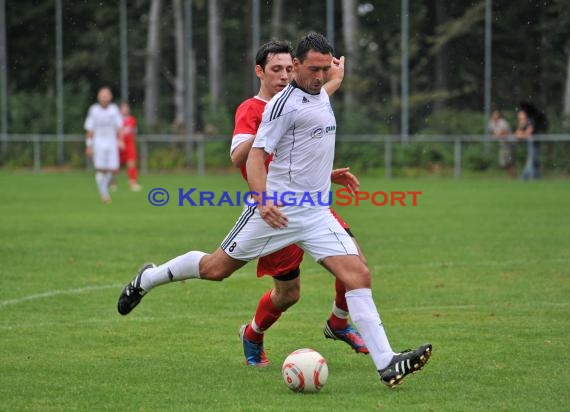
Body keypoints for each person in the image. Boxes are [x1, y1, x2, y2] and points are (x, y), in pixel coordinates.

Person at [117, 32, 432, 388]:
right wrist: (264, 200)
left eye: (324, 68)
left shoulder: (319, 91)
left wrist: (336, 80)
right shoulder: (279, 106)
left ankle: (387, 363)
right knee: (215, 268)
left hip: (315, 212)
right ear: (297, 66)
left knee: (358, 275)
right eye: (312, 68)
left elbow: (312, 119)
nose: (319, 75)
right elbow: (252, 157)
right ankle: (148, 279)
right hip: (277, 210)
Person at [230, 40, 368, 367]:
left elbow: (314, 105)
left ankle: (338, 322)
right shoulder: (254, 109)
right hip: (276, 209)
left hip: (312, 203)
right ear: (260, 72)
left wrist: (336, 78)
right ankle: (253, 333)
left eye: (287, 69)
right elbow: (238, 157)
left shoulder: (297, 99)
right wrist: (267, 124)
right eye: (275, 70)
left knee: (356, 265)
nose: (283, 75)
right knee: (288, 294)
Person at [84, 86, 124, 203]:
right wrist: (89, 145)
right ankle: (104, 194)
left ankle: (105, 187)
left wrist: (121, 140)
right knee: (101, 170)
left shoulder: (114, 109)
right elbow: (90, 130)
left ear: (110, 97)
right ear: (98, 97)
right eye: (102, 95)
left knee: (114, 169)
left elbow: (120, 126)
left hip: (112, 143)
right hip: (99, 143)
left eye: (107, 95)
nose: (104, 97)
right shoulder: (94, 110)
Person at [119, 102, 142, 191]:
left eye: (126, 108)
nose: (125, 110)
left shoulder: (132, 120)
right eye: (123, 108)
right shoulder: (116, 119)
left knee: (131, 163)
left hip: (129, 144)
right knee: (114, 165)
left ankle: (132, 182)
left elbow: (133, 132)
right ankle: (112, 183)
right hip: (118, 144)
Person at [488, 110, 515, 178]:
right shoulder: (491, 122)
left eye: (496, 114)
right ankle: (510, 176)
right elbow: (492, 131)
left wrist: (498, 135)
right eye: (494, 114)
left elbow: (505, 132)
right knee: (503, 162)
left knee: (509, 161)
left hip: (508, 144)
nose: (495, 116)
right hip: (502, 145)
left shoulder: (503, 122)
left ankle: (512, 176)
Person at [515, 108, 540, 180]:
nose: (519, 117)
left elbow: (527, 134)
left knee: (532, 161)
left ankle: (524, 177)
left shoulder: (530, 121)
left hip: (534, 144)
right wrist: (521, 126)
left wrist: (522, 134)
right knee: (534, 162)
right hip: (529, 145)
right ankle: (536, 177)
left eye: (521, 115)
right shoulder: (522, 123)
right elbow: (517, 135)